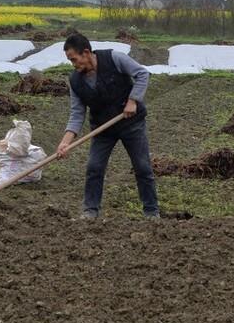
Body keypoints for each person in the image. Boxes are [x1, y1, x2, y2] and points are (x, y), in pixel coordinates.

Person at [56, 33, 159, 219]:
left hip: (131, 124)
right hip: (103, 129)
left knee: (142, 167)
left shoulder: (114, 58)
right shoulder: (75, 82)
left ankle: (151, 212)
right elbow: (77, 113)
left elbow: (142, 74)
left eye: (74, 59)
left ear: (86, 52)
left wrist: (133, 100)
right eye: (70, 61)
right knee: (94, 168)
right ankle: (90, 211)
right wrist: (65, 142)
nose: (73, 64)